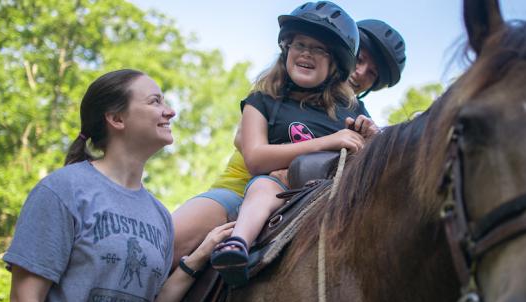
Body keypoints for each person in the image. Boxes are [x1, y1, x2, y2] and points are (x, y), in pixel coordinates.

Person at [0, 69, 231, 302]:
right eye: (155, 102)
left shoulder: (160, 217)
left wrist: (197, 259)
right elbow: (25, 300)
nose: (170, 111)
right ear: (116, 119)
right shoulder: (63, 190)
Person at [169, 17, 407, 274]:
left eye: (372, 73)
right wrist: (327, 143)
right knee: (167, 243)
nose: (361, 73)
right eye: (360, 61)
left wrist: (368, 145)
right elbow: (248, 146)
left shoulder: (357, 115)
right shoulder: (271, 96)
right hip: (240, 191)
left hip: (314, 201)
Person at [206, 1, 379, 286]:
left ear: (335, 63)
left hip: (332, 195)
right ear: (286, 48)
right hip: (276, 186)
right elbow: (255, 158)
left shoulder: (353, 108)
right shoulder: (263, 100)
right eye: (299, 44)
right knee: (263, 186)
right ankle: (237, 244)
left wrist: (371, 137)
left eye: (319, 49)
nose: (307, 53)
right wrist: (331, 140)